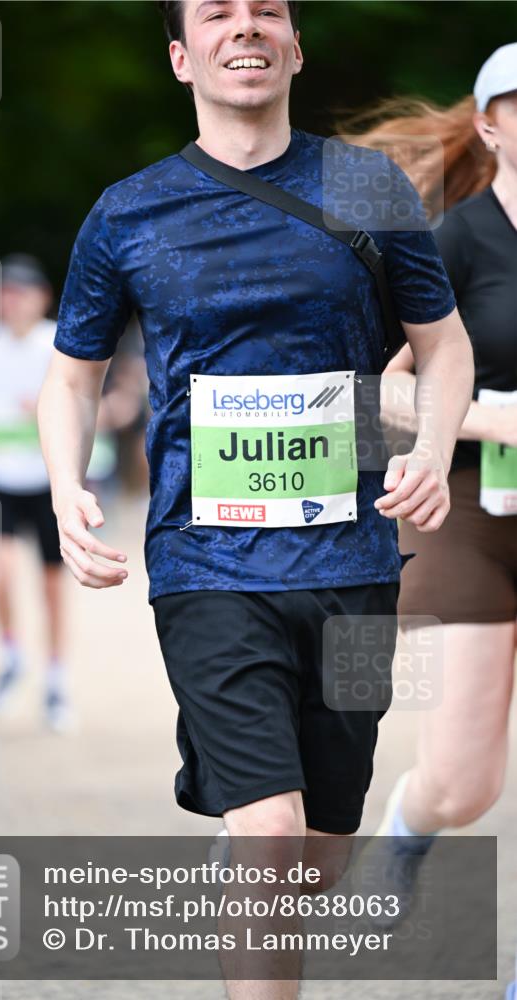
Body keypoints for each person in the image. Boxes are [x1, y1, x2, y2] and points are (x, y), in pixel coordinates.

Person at [38, 3, 474, 994]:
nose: (246, 26)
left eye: (267, 10)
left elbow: (444, 348)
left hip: (355, 562)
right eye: (218, 14)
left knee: (318, 844)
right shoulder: (128, 211)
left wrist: (435, 448)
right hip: (206, 565)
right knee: (272, 835)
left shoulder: (363, 187)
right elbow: (72, 374)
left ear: (294, 46)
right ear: (182, 56)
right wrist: (68, 488)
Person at [348, 44, 517, 971]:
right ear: (487, 126)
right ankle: (411, 827)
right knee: (463, 782)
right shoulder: (452, 238)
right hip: (469, 508)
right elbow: (380, 383)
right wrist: (491, 415)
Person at [0, 254, 72, 731]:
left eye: (20, 292)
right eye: (4, 292)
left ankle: (55, 677)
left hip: (48, 480)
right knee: (0, 573)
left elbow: (84, 400)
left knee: (51, 587)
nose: (11, 301)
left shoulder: (60, 342)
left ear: (41, 297)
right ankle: (11, 655)